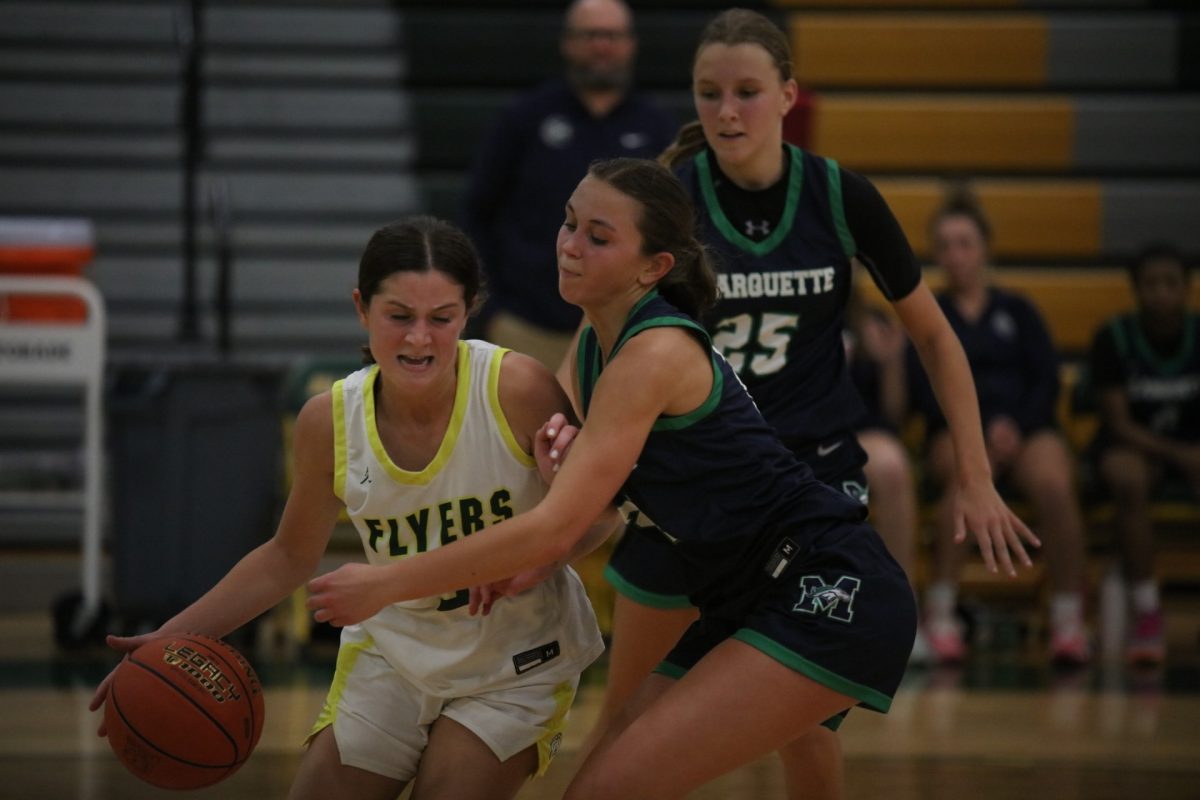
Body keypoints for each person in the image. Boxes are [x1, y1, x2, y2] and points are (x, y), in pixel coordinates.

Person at [305, 157, 1039, 800]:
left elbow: (558, 520)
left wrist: (387, 583)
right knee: (604, 784)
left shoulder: (652, 353)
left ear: (652, 266)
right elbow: (594, 519)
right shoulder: (596, 352)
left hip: (823, 586)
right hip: (740, 595)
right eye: (569, 223)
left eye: (599, 236)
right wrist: (539, 561)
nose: (570, 245)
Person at [583, 9, 1036, 797]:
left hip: (809, 484)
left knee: (802, 720)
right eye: (710, 92)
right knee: (624, 719)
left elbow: (933, 336)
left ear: (790, 95)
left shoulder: (839, 196)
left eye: (749, 92)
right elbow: (596, 338)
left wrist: (975, 476)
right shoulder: (672, 200)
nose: (727, 111)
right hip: (696, 487)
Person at [88, 217, 614, 800]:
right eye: (399, 316)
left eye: (441, 318)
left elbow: (602, 514)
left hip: (515, 660)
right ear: (362, 308)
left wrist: (538, 559)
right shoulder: (329, 420)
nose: (419, 339)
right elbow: (287, 557)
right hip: (395, 656)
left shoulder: (517, 388)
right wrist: (167, 639)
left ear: (469, 312)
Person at [910, 189, 1093, 666]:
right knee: (963, 480)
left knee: (1055, 483)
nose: (955, 255)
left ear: (985, 248)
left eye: (964, 243)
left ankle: (1069, 619)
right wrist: (977, 434)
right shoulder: (931, 313)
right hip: (953, 430)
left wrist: (1016, 426)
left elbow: (1047, 379)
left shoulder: (1020, 311)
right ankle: (942, 615)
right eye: (945, 245)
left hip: (1026, 429)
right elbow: (922, 387)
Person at [462, 0, 676, 370]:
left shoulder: (657, 126)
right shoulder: (526, 117)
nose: (601, 46)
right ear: (567, 43)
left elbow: (677, 227)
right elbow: (477, 213)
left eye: (612, 35)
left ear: (631, 44)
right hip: (527, 328)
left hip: (623, 330)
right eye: (589, 35)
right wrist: (491, 310)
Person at [1087, 243, 1200, 665]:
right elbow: (1118, 423)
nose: (1161, 293)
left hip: (1189, 448)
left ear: (1187, 289)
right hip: (1131, 446)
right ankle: (1148, 610)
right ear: (1136, 289)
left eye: (1171, 283)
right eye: (1151, 284)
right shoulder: (1113, 337)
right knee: (1129, 477)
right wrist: (1182, 456)